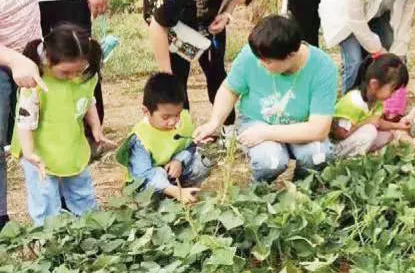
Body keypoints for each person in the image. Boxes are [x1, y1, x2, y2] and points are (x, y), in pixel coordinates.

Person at [193, 15, 338, 182]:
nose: (260, 64)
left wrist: (267, 133)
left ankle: (303, 189)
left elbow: (318, 129)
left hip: (300, 126)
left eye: (267, 62)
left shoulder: (322, 67)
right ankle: (260, 192)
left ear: (291, 55)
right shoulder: (254, 54)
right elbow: (229, 89)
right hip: (258, 121)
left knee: (317, 156)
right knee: (270, 162)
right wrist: (214, 122)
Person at [143, 0, 259, 123]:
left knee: (216, 69)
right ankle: (182, 130)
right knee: (178, 74)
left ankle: (226, 128)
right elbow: (159, 26)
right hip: (172, 14)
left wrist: (226, 14)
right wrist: (167, 77)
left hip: (207, 6)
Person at [10, 24, 110, 226]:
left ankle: (93, 229)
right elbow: (24, 120)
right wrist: (29, 153)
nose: (73, 77)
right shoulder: (36, 81)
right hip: (39, 150)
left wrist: (96, 129)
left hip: (70, 144)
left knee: (82, 189)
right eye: (66, 72)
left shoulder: (85, 75)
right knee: (46, 197)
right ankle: (49, 241)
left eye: (78, 71)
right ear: (48, 59)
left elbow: (88, 100)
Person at [0, 0, 41, 228]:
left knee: (41, 127)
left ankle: (52, 208)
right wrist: (13, 60)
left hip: (31, 51)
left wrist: (30, 56)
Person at [115, 73, 210, 205]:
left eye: (177, 114)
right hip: (149, 181)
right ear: (146, 111)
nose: (173, 122)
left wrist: (179, 161)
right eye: (165, 117)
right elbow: (143, 175)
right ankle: (172, 194)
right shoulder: (140, 138)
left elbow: (191, 146)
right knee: (157, 175)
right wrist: (174, 191)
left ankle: (185, 190)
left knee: (202, 161)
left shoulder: (184, 120)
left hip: (174, 172)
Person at [331, 54, 411, 158]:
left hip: (352, 138)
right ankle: (350, 160)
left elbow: (378, 122)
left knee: (387, 135)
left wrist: (399, 126)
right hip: (335, 147)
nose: (393, 94)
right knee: (370, 130)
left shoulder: (376, 102)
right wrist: (366, 122)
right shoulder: (354, 101)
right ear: (374, 84)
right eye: (392, 90)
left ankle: (365, 153)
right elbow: (340, 134)